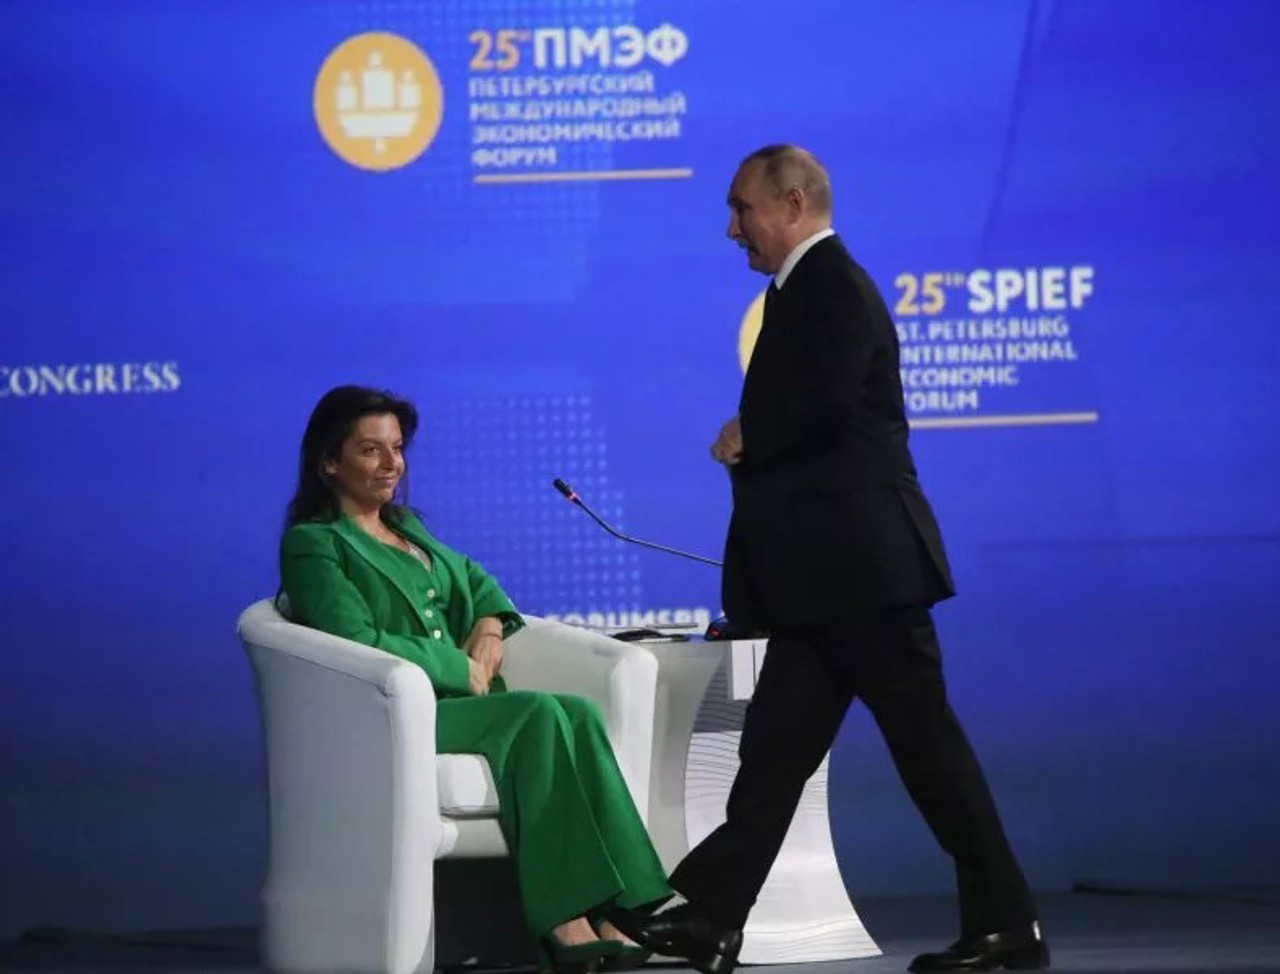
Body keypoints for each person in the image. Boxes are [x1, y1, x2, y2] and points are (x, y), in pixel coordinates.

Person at [616, 146, 1049, 973]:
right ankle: (712, 919)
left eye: (743, 208)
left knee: (927, 749)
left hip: (863, 577)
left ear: (793, 201)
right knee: (775, 753)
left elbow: (827, 408)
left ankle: (1010, 926)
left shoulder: (833, 286)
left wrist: (750, 431)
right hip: (825, 584)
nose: (731, 227)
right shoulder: (798, 295)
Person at [278, 385, 671, 973]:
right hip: (396, 716)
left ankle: (625, 909)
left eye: (397, 448)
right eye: (370, 451)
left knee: (581, 714)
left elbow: (479, 580)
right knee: (537, 712)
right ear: (329, 462)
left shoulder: (407, 528)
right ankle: (563, 921)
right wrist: (458, 666)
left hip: (461, 709)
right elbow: (354, 641)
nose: (391, 465)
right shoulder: (315, 544)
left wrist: (489, 626)